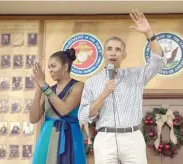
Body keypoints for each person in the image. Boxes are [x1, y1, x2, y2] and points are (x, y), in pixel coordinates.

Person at [78, 9, 166, 164]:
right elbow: (84, 115)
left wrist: (149, 34)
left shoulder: (136, 75)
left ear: (124, 55)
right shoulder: (92, 82)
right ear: (104, 54)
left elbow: (158, 60)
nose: (113, 53)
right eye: (109, 49)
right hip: (105, 138)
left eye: (118, 49)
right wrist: (104, 94)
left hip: (132, 137)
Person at [30, 48, 86, 164]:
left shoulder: (78, 86)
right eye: (49, 67)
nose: (50, 70)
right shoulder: (48, 89)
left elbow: (64, 109)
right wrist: (38, 90)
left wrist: (44, 86)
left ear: (65, 67)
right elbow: (33, 119)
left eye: (53, 66)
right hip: (47, 135)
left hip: (70, 135)